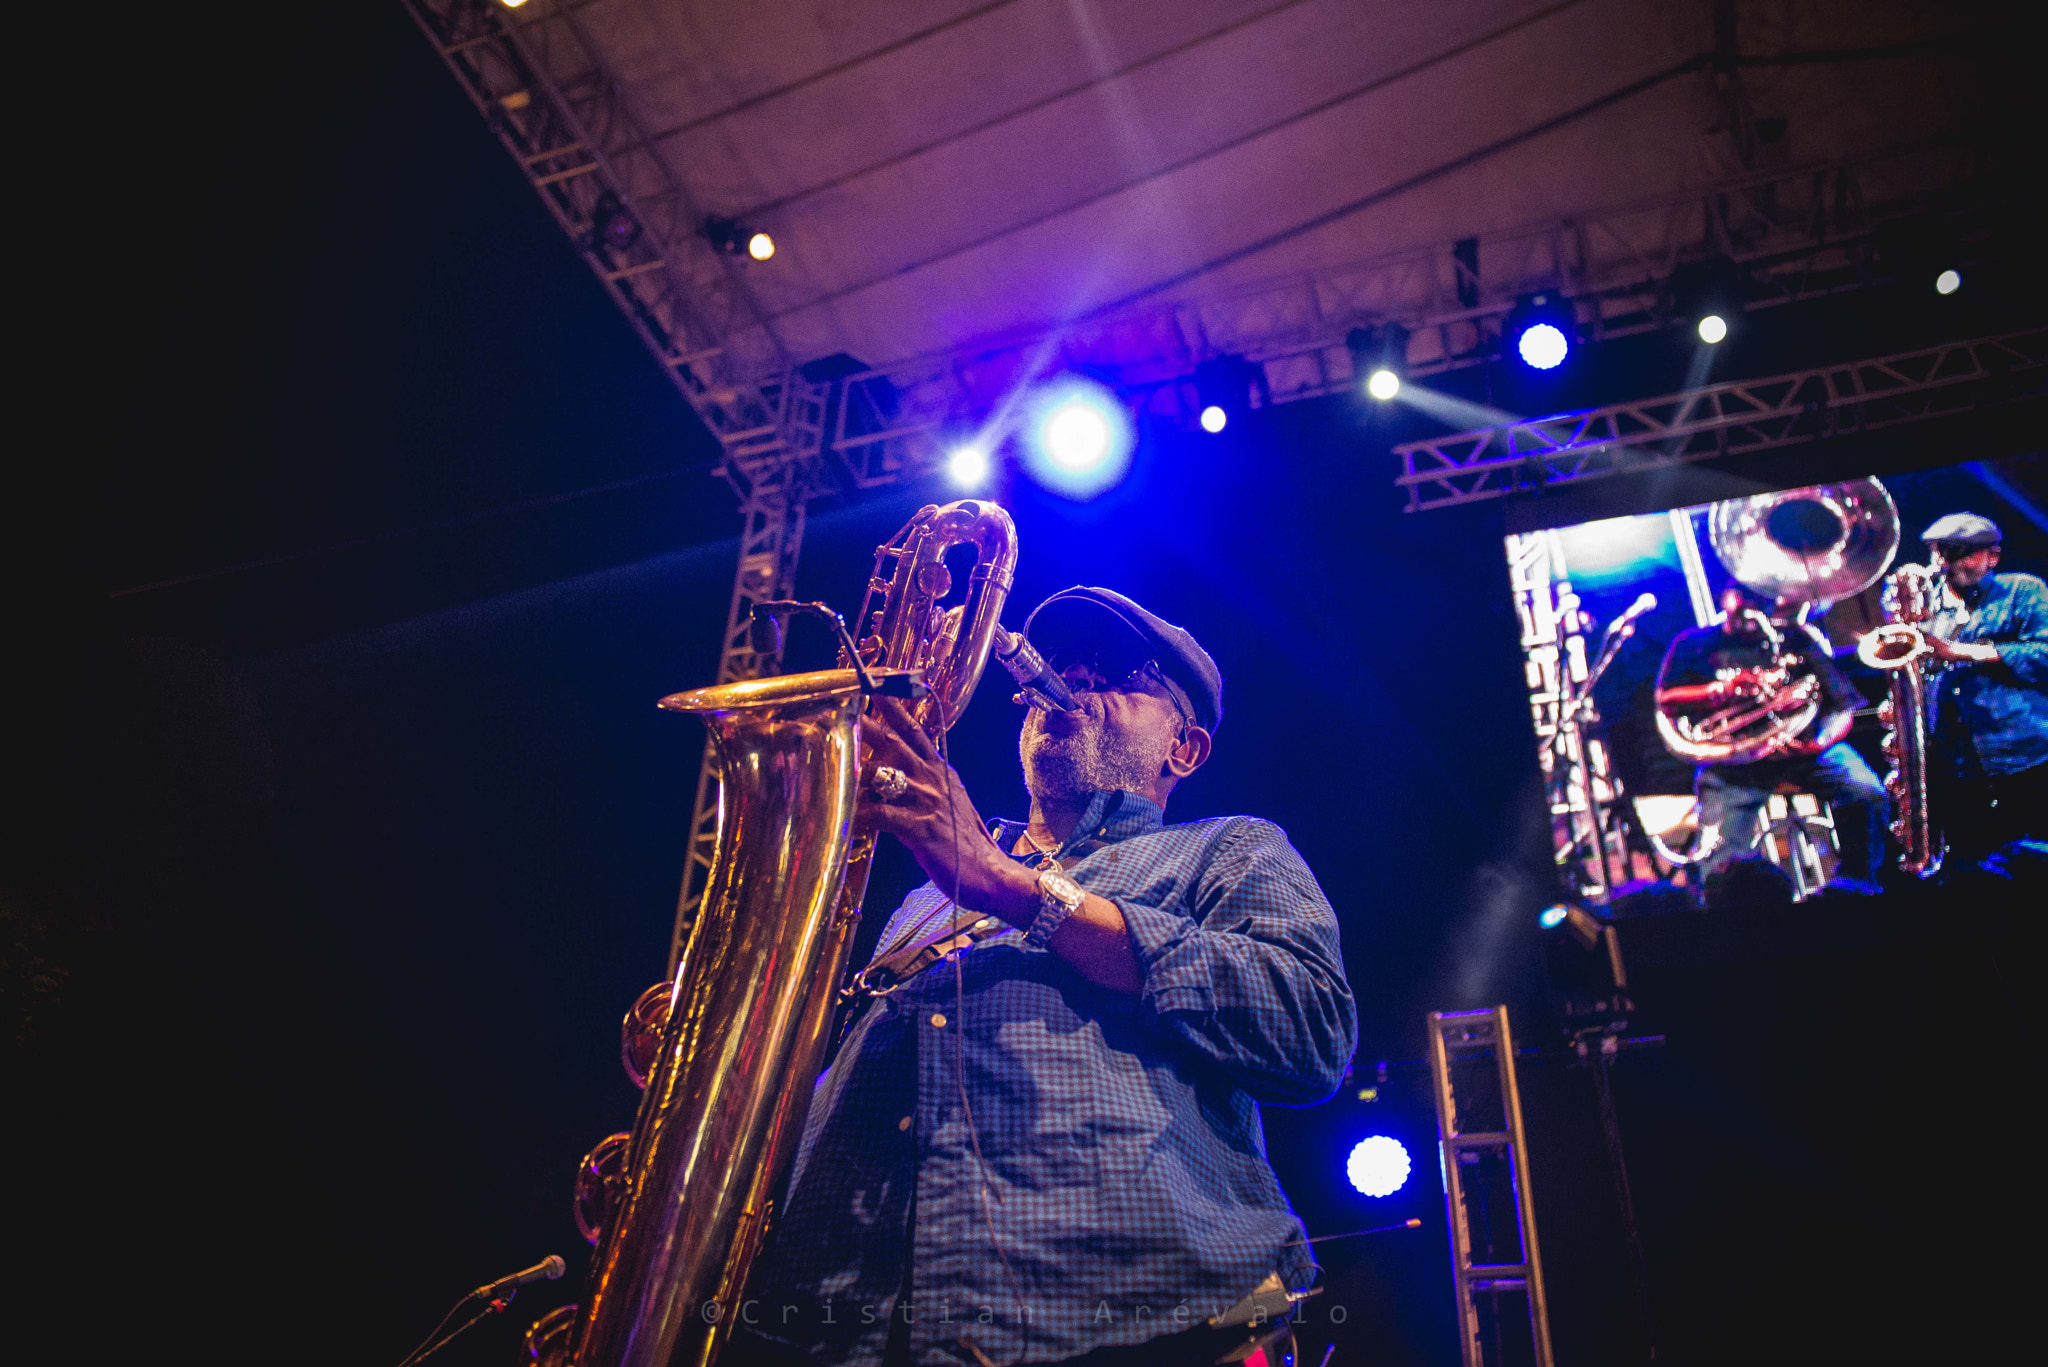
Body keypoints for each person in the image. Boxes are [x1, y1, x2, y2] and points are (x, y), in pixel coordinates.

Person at [728, 587, 1356, 1367]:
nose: (1074, 678)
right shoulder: (923, 899)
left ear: (1184, 748)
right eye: (1063, 664)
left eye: (1120, 671)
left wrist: (1011, 887)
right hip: (851, 1330)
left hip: (1155, 1326)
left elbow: (1313, 1032)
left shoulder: (1228, 848)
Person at [1655, 584, 1889, 884]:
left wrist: (1817, 743)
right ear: (1727, 597)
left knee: (1866, 792)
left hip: (1806, 752)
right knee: (1720, 854)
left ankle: (1857, 884)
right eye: (1746, 595)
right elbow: (1666, 700)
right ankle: (1733, 908)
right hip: (1734, 763)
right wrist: (1723, 690)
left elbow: (1843, 705)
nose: (1754, 605)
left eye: (1762, 596)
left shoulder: (1795, 637)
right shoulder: (1695, 643)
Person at [1917, 513, 2048, 855]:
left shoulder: (2023, 589)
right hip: (1957, 765)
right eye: (1942, 553)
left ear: (1993, 557)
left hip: (2026, 752)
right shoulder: (1925, 610)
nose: (1948, 563)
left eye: (1963, 553)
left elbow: (2044, 654)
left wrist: (1960, 652)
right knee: (1980, 870)